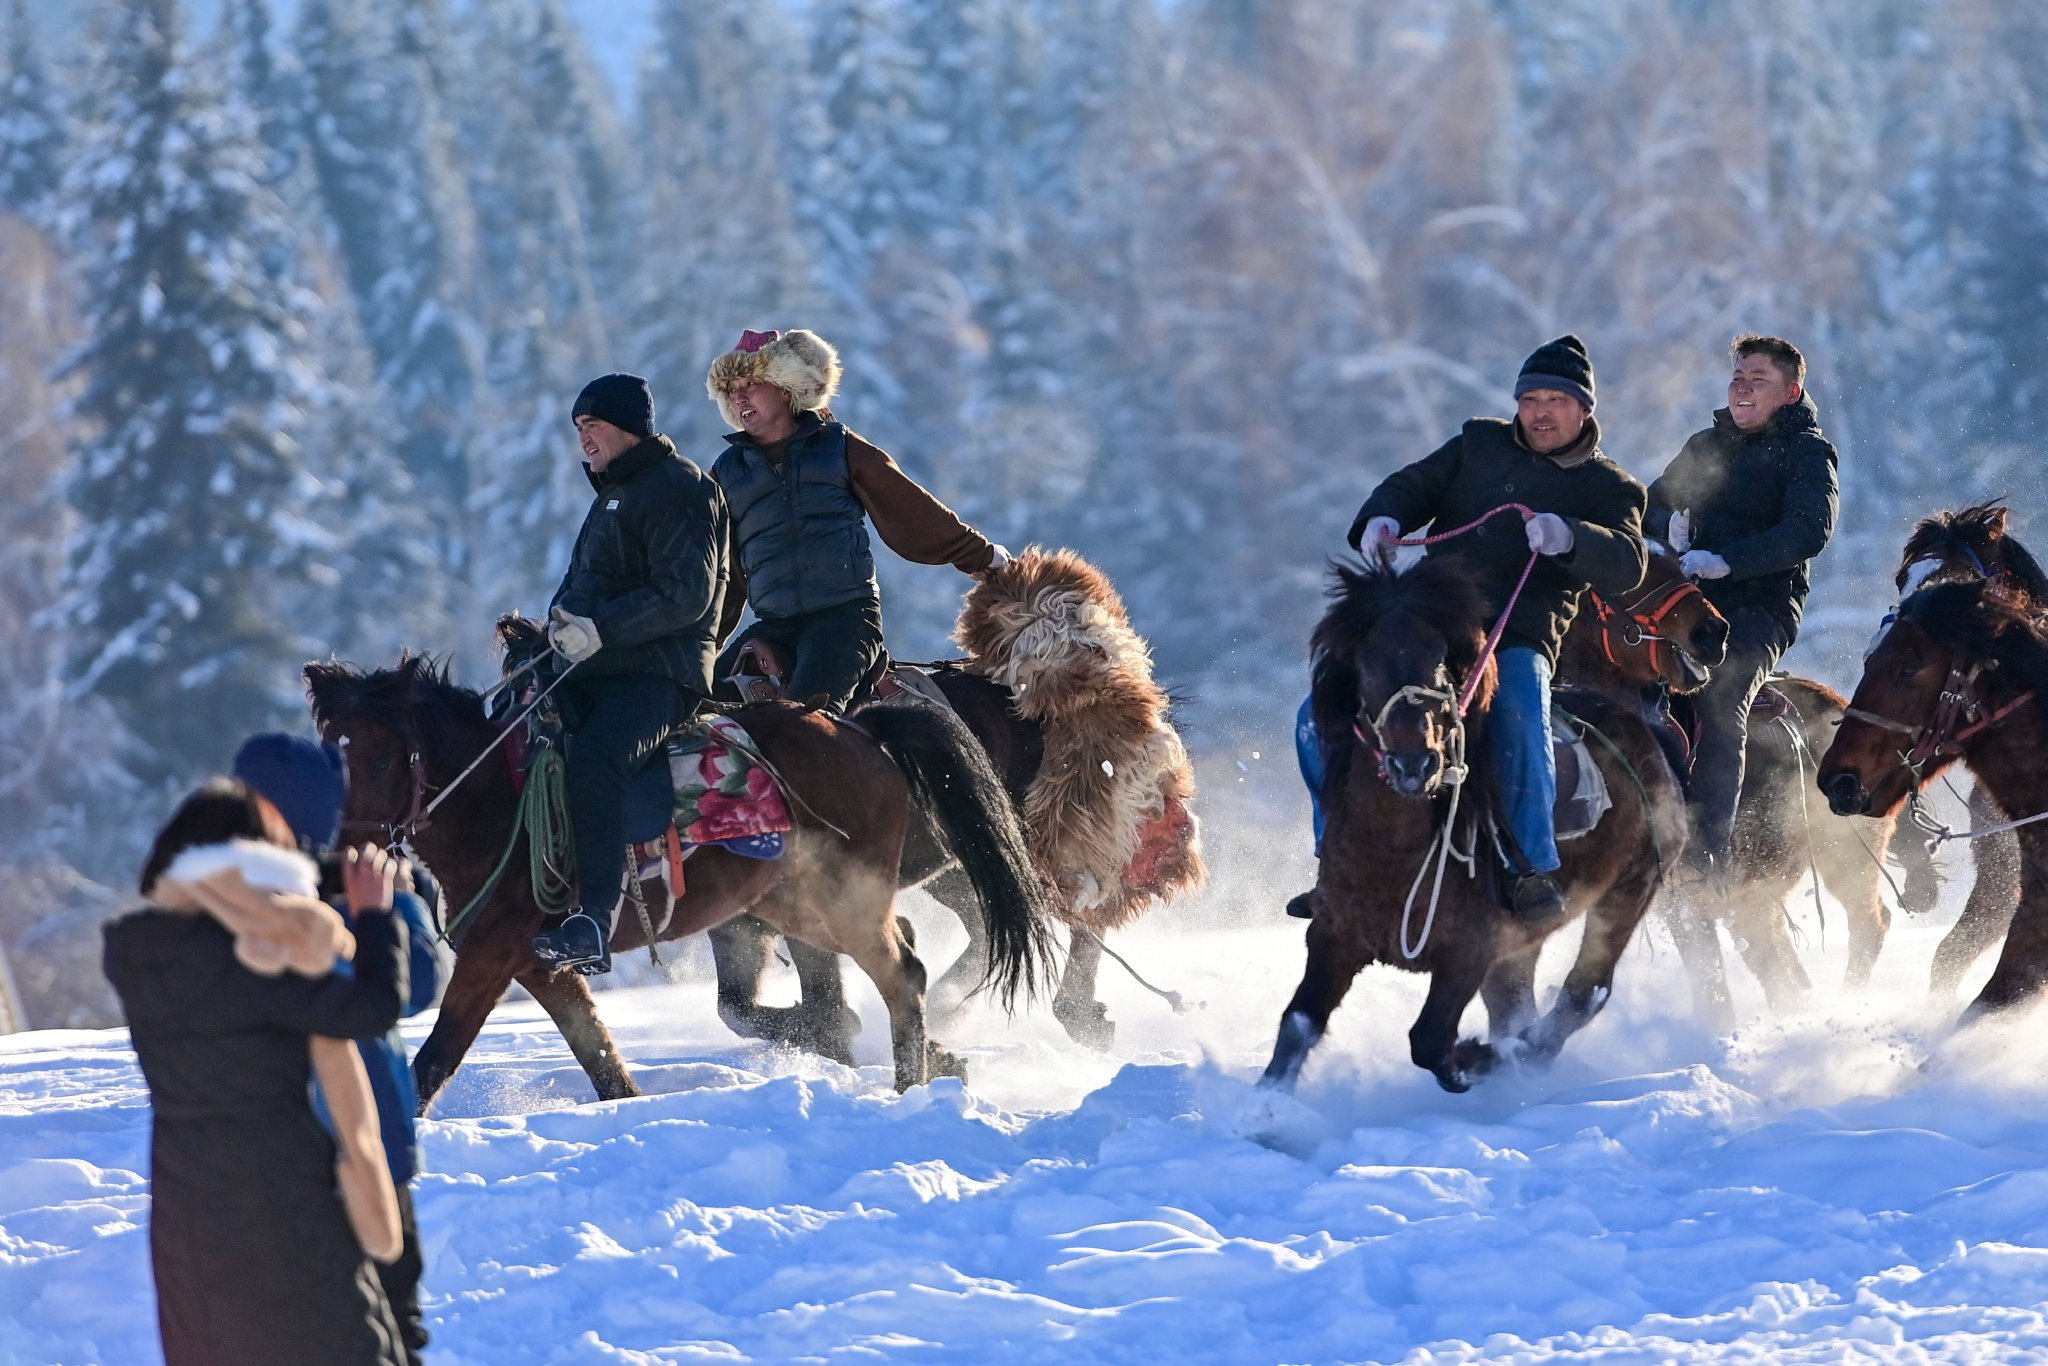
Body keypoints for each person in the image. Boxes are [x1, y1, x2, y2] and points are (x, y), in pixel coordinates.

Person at [1293, 335, 1648, 923]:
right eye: (1529, 398)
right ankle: (1335, 859)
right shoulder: (1477, 443)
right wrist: (1384, 517)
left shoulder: (1611, 488)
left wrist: (1571, 538)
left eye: (1555, 401)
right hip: (1434, 626)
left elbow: (1628, 560)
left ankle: (1531, 868)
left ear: (1584, 410)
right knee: (1317, 714)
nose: (1539, 411)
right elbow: (1413, 484)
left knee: (1519, 717)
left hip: (1519, 632)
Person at [102, 779, 410, 1366]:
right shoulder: (256, 961)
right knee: (338, 1339)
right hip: (281, 1190)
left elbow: (244, 900)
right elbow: (373, 1008)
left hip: (185, 1191)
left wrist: (316, 879)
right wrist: (373, 917)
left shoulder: (137, 952)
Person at [233, 732, 444, 1365]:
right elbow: (412, 990)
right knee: (389, 1323)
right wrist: (398, 905)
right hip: (361, 1151)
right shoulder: (320, 915)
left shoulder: (226, 899)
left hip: (274, 1164)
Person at [531, 372, 730, 975]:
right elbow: (579, 591)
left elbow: (685, 594)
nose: (584, 439)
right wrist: (551, 635)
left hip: (661, 674)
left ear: (627, 428)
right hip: (600, 668)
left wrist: (601, 631)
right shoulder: (611, 497)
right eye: (578, 429)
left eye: (593, 426)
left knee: (597, 757)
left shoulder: (679, 487)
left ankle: (594, 917)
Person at [703, 328, 1011, 711]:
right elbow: (725, 571)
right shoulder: (727, 472)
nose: (739, 396)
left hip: (845, 620)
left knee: (804, 727)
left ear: (786, 388)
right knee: (697, 710)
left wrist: (985, 559)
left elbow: (913, 512)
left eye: (751, 383)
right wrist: (700, 647)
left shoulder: (839, 446)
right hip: (773, 626)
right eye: (731, 389)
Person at [1645, 334, 1839, 884]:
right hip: (1685, 604)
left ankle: (1708, 852)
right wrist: (1668, 531)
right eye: (1737, 377)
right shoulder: (1703, 445)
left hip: (1760, 608)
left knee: (1721, 693)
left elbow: (1808, 530)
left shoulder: (1808, 453)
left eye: (1758, 379)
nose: (1742, 387)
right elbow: (1651, 508)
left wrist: (1728, 561)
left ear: (1790, 391)